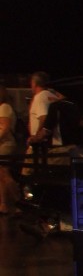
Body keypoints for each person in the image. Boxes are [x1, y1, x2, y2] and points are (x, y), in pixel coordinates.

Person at [0, 86, 21, 214]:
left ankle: (19, 202)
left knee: (5, 174)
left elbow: (5, 128)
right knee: (2, 175)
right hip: (2, 144)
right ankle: (4, 204)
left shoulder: (4, 108)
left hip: (4, 145)